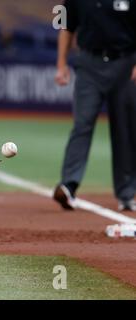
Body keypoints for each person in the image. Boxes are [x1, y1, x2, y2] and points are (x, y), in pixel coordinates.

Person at [53, 0, 136, 212]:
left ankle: (126, 193)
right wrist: (61, 64)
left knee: (125, 130)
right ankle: (69, 185)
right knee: (82, 124)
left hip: (125, 64)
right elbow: (63, 25)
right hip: (89, 64)